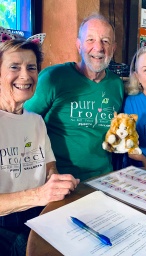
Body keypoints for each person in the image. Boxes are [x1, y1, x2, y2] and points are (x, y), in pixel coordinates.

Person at [0, 37, 79, 256]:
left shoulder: (35, 121)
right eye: (14, 67)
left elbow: (49, 165)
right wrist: (39, 195)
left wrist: (56, 181)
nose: (25, 76)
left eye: (31, 67)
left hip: (39, 215)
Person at [24, 13, 124, 181]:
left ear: (113, 48)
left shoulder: (116, 85)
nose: (98, 48)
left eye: (105, 41)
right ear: (79, 45)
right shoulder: (53, 78)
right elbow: (23, 122)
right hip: (58, 181)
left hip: (104, 179)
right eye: (90, 40)